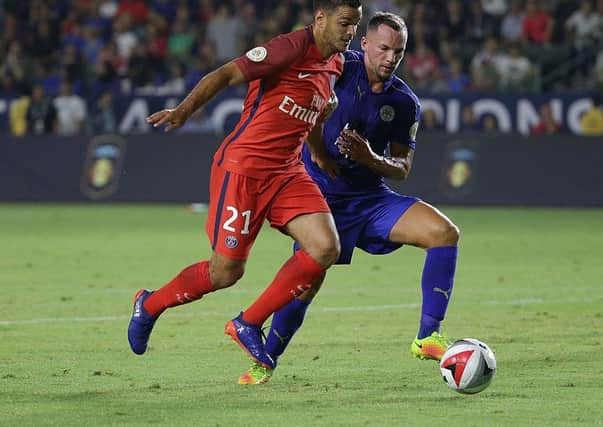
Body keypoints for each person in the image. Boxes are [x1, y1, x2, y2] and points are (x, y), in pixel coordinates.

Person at [127, 0, 363, 372]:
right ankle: (150, 304)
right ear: (320, 19)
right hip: (244, 170)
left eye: (356, 24)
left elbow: (315, 113)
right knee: (225, 273)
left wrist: (318, 153)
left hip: (287, 172)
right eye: (345, 23)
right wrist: (183, 111)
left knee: (325, 248)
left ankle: (248, 322)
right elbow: (223, 74)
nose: (351, 32)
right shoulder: (287, 48)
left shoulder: (335, 62)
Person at [239, 12, 460, 385]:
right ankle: (266, 359)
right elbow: (307, 112)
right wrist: (321, 155)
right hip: (320, 200)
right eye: (385, 48)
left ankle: (427, 337)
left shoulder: (404, 102)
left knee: (444, 232)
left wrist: (369, 158)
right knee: (305, 286)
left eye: (399, 52)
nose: (391, 58)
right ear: (365, 44)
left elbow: (403, 167)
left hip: (371, 201)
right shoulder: (337, 68)